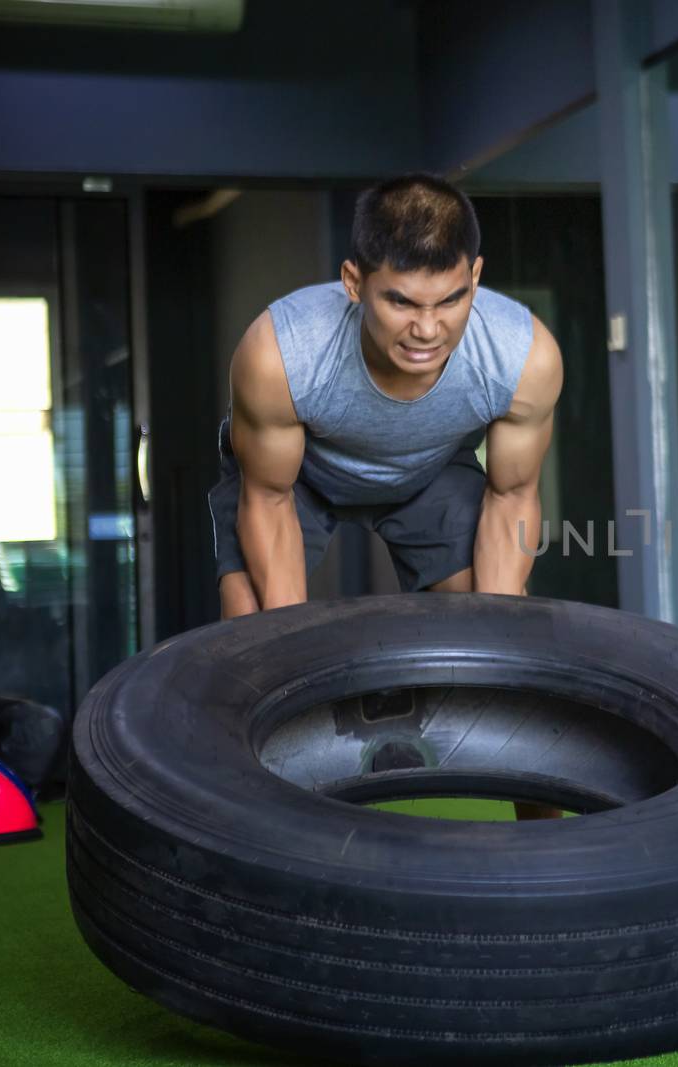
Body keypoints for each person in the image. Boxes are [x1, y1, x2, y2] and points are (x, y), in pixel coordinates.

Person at [208, 173, 563, 819]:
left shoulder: (522, 355)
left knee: (514, 649)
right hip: (297, 480)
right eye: (401, 302)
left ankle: (549, 848)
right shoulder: (281, 352)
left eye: (450, 300)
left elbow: (512, 495)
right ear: (353, 282)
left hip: (426, 474)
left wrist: (500, 645)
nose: (427, 329)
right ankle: (263, 841)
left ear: (476, 277)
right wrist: (289, 656)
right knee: (254, 645)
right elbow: (266, 494)